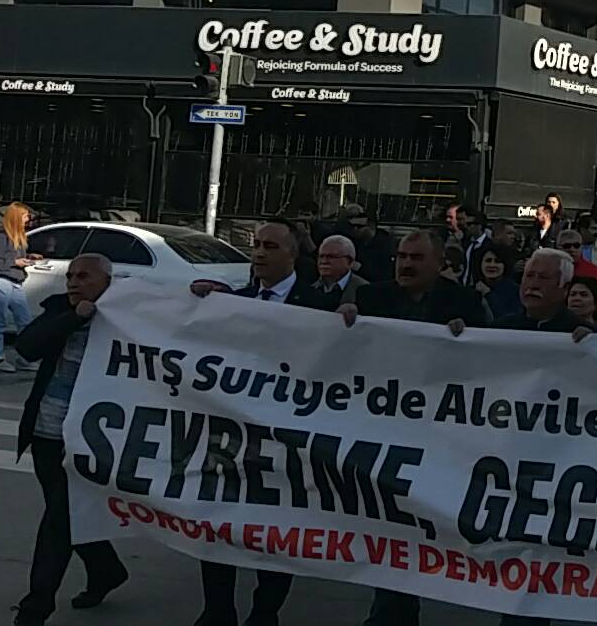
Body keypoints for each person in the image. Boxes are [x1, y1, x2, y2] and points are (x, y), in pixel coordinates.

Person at [339, 231, 488, 624]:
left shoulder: (465, 303)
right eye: (401, 256)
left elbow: (495, 357)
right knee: (391, 522)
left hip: (442, 435)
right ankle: (391, 609)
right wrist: (341, 321)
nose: (405, 264)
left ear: (439, 264)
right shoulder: (372, 298)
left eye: (416, 258)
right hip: (385, 429)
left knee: (426, 525)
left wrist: (472, 338)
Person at [188, 222, 315, 626]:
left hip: (287, 440)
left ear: (292, 255)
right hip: (231, 435)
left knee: (277, 533)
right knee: (217, 523)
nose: (259, 253)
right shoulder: (233, 302)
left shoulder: (317, 308)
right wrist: (195, 308)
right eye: (256, 245)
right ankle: (217, 609)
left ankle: (265, 611)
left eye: (270, 246)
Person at [10, 253, 128, 626]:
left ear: (107, 282)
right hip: (48, 433)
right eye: (70, 277)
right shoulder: (62, 310)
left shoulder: (126, 319)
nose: (74, 283)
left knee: (59, 518)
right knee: (66, 513)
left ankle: (36, 607)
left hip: (93, 439)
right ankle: (106, 568)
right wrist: (73, 317)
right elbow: (28, 347)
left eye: (84, 277)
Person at [0, 201, 39, 371]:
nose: (28, 220)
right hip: (1, 280)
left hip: (15, 281)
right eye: (25, 216)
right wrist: (15, 262)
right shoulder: (1, 235)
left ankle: (25, 357)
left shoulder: (18, 236)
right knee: (0, 321)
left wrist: (29, 257)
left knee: (25, 321)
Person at [494, 248, 594, 335]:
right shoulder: (500, 329)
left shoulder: (583, 333)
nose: (533, 285)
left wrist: (593, 343)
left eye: (543, 277)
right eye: (529, 275)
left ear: (564, 287)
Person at [299, 234, 368, 312]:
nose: (324, 261)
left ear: (350, 262)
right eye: (321, 256)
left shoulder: (365, 290)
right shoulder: (308, 290)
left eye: (331, 257)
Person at [470, 244, 523, 323]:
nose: (492, 265)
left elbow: (509, 320)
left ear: (505, 265)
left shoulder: (517, 291)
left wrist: (488, 294)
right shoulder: (472, 290)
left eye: (497, 261)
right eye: (488, 260)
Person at [554, 228, 597, 300]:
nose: (572, 249)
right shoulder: (548, 270)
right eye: (567, 246)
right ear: (558, 248)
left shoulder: (594, 272)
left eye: (576, 245)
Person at [346, 208, 397, 285]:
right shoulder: (354, 242)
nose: (355, 229)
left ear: (371, 227)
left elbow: (385, 275)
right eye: (352, 226)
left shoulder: (387, 245)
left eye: (359, 227)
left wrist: (361, 269)